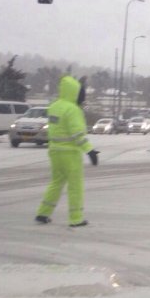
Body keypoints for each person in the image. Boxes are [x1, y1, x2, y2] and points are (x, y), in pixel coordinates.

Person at [35, 76, 99, 227]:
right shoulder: (73, 110)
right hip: (70, 153)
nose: (82, 99)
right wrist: (90, 151)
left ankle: (43, 213)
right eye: (81, 95)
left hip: (54, 151)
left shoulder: (54, 106)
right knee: (75, 186)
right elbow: (78, 135)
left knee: (56, 182)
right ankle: (76, 218)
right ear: (75, 93)